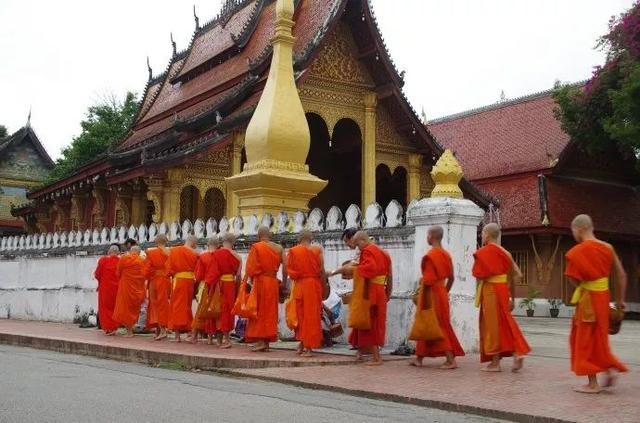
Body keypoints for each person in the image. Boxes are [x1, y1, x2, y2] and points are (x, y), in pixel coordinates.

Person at [565, 214, 628, 393]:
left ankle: (593, 384)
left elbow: (572, 279)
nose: (574, 235)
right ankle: (608, 367)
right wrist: (620, 301)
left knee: (584, 339)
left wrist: (584, 286)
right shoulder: (607, 247)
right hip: (604, 297)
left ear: (579, 229)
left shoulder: (576, 252)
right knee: (599, 337)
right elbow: (622, 275)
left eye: (573, 231)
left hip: (587, 300)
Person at [472, 223, 531, 372]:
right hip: (503, 290)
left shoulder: (483, 252)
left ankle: (495, 362)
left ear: (486, 234)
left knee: (492, 326)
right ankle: (517, 351)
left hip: (490, 291)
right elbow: (517, 276)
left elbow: (479, 274)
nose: (482, 235)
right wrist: (513, 298)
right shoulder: (506, 253)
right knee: (505, 322)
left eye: (483, 233)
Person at [333, 231, 392, 366]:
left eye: (357, 244)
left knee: (369, 323)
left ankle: (377, 358)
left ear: (361, 241)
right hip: (380, 290)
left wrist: (353, 270)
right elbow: (389, 275)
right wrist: (388, 292)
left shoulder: (367, 250)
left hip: (370, 291)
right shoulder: (384, 253)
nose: (358, 248)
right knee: (375, 323)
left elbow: (370, 269)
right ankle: (364, 353)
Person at [410, 226, 464, 369]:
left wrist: (424, 299)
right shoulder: (446, 255)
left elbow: (427, 281)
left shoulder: (430, 256)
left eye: (427, 235)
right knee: (428, 324)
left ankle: (451, 360)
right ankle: (419, 358)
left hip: (430, 293)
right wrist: (444, 292)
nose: (427, 238)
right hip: (441, 292)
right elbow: (451, 278)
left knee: (435, 324)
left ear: (431, 236)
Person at [244, 226, 285, 352]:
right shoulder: (279, 248)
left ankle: (261, 341)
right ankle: (266, 343)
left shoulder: (257, 247)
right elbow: (286, 266)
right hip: (273, 282)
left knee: (260, 311)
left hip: (261, 282)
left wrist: (249, 282)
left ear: (258, 236)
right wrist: (284, 282)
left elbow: (250, 269)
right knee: (270, 312)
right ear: (270, 235)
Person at [286, 230, 326, 357]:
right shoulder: (317, 250)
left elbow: (291, 272)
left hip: (301, 285)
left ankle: (308, 347)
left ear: (299, 239)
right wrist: (324, 288)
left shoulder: (294, 251)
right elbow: (322, 271)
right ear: (311, 238)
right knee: (311, 316)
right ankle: (304, 344)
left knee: (301, 316)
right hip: (314, 285)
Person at [206, 232, 242, 348]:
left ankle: (220, 339)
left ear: (222, 241)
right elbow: (238, 276)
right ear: (234, 242)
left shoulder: (216, 254)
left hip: (218, 284)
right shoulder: (238, 257)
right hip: (230, 284)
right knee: (227, 310)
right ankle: (226, 338)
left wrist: (208, 286)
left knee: (217, 308)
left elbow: (213, 273)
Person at [166, 235, 199, 342]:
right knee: (187, 306)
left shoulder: (174, 250)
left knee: (177, 306)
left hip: (179, 280)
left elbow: (169, 269)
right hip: (190, 281)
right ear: (193, 243)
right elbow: (198, 269)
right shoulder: (196, 253)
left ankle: (177, 336)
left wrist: (170, 274)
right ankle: (189, 331)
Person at [190, 237, 220, 345]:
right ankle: (211, 338)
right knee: (214, 310)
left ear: (207, 245)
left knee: (201, 311)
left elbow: (198, 276)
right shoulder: (220, 256)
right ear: (218, 245)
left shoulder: (203, 256)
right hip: (218, 287)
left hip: (205, 286)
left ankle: (194, 336)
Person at [112, 246, 146, 337]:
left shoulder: (124, 258)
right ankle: (131, 329)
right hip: (137, 288)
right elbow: (144, 275)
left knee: (125, 309)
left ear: (130, 251)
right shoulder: (142, 260)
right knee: (134, 309)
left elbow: (118, 273)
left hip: (126, 287)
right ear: (138, 252)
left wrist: (123, 279)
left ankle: (129, 331)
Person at [144, 234, 171, 341]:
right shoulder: (170, 252)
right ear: (166, 242)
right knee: (164, 303)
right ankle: (159, 330)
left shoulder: (151, 252)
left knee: (156, 305)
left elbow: (147, 269)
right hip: (166, 279)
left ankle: (162, 330)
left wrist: (147, 276)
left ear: (156, 242)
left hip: (155, 280)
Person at [94, 245, 121, 335]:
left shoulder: (103, 260)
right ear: (118, 252)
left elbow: (97, 274)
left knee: (105, 308)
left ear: (109, 251)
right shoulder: (121, 261)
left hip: (105, 288)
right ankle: (115, 327)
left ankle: (109, 328)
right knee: (115, 307)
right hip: (118, 288)